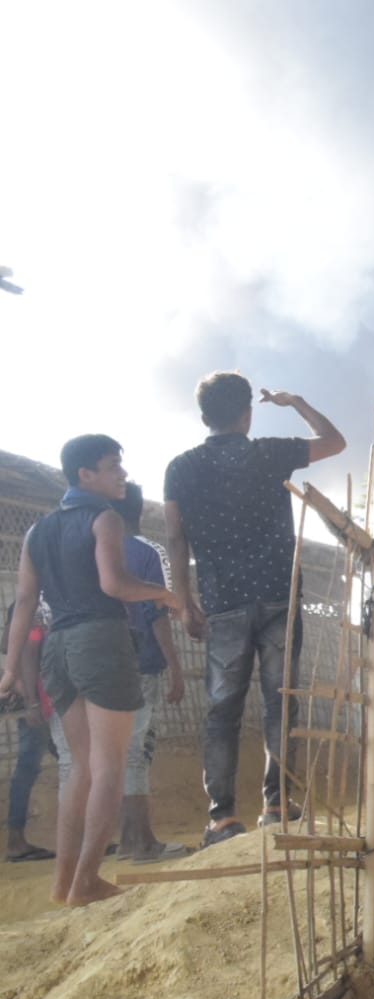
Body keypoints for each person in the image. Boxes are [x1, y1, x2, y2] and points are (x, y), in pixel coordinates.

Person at [163, 374, 346, 848]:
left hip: (223, 604)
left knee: (222, 710)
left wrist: (184, 601)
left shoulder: (181, 468)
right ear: (248, 412)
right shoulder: (269, 452)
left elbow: (176, 538)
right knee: (280, 700)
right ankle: (277, 805)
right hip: (278, 599)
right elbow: (335, 441)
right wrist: (298, 400)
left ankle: (221, 819)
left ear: (204, 418)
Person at [0, 435, 181, 905]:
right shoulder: (105, 518)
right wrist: (165, 594)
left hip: (57, 648)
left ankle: (64, 883)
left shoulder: (39, 531)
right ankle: (86, 882)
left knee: (77, 767)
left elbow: (23, 601)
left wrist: (10, 668)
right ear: (86, 475)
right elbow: (114, 584)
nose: (122, 474)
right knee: (110, 768)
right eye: (112, 466)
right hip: (99, 639)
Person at [106, 484, 188, 861]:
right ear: (139, 511)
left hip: (100, 665)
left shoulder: (94, 549)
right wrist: (175, 667)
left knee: (110, 752)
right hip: (141, 663)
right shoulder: (146, 552)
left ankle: (119, 838)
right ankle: (140, 842)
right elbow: (158, 616)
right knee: (136, 751)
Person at [3, 601, 55, 863]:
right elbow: (24, 647)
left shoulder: (32, 602)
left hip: (45, 699)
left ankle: (16, 839)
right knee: (29, 767)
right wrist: (32, 700)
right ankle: (15, 840)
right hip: (41, 701)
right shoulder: (32, 604)